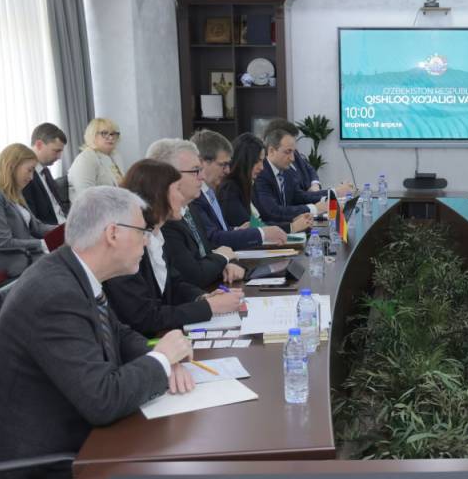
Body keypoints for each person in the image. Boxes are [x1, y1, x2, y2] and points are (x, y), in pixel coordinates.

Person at [0, 186, 196, 479]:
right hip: (33, 478)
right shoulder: (55, 294)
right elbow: (103, 400)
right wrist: (161, 359)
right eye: (142, 231)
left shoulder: (72, 271)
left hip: (71, 443)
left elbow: (118, 333)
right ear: (112, 233)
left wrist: (166, 358)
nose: (148, 241)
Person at [104, 160, 244, 337]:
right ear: (158, 195)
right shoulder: (127, 246)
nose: (182, 196)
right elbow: (144, 317)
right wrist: (209, 307)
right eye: (177, 189)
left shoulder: (157, 235)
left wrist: (203, 298)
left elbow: (174, 284)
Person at [147, 137, 278, 252]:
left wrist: (235, 231)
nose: (227, 170)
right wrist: (260, 233)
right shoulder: (193, 200)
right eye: (223, 165)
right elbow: (211, 240)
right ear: (204, 161)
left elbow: (215, 234)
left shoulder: (207, 193)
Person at [0, 143, 57, 275]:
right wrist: (42, 244)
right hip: (10, 261)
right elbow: (3, 242)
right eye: (29, 170)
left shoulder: (13, 191)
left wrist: (64, 229)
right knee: (64, 264)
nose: (31, 177)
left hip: (27, 254)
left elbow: (37, 227)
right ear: (12, 166)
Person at [218, 133, 313, 234]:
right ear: (244, 160)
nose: (262, 167)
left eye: (262, 161)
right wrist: (291, 227)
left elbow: (263, 221)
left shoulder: (247, 184)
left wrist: (293, 220)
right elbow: (250, 228)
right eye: (257, 161)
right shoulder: (229, 189)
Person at [254, 129, 353, 223]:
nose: (292, 159)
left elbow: (301, 197)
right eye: (288, 152)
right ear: (271, 151)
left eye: (293, 152)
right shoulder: (260, 174)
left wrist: (331, 198)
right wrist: (315, 208)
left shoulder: (285, 170)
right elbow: (273, 212)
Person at [21, 122, 69, 225]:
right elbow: (34, 221)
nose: (59, 157)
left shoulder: (46, 171)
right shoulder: (24, 176)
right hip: (51, 230)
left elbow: (59, 207)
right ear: (39, 145)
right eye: (56, 151)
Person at [68, 117, 125, 201]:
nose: (110, 137)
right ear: (92, 135)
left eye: (113, 134)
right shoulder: (85, 159)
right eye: (104, 133)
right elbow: (86, 196)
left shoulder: (115, 155)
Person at [263, 117, 322, 193]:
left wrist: (315, 184)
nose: (292, 158)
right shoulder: (270, 168)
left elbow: (309, 168)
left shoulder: (293, 151)